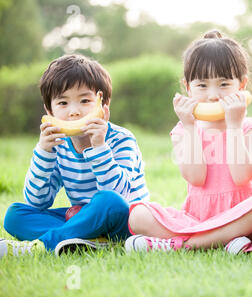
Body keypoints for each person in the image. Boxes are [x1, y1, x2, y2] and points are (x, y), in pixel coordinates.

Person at [125, 30, 252, 254]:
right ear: (187, 87)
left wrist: (234, 126)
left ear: (242, 85)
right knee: (138, 214)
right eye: (202, 86)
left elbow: (242, 177)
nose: (213, 95)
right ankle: (222, 242)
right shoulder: (183, 130)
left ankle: (182, 245)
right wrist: (189, 127)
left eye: (224, 84)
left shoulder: (250, 127)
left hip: (240, 217)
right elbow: (195, 178)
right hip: (196, 219)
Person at [0, 54, 149, 258]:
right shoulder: (58, 144)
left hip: (124, 220)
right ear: (49, 111)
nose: (74, 112)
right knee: (15, 215)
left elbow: (120, 197)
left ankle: (42, 246)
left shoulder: (122, 139)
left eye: (85, 100)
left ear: (103, 106)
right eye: (62, 103)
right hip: (81, 216)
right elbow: (37, 202)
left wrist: (99, 147)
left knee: (109, 201)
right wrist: (44, 153)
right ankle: (89, 240)